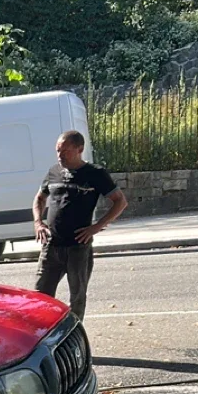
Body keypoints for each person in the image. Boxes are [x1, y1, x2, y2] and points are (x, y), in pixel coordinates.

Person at [32, 130, 128, 321]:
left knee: (77, 297)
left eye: (65, 151)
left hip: (78, 247)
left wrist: (96, 227)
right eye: (58, 151)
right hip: (52, 245)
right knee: (39, 295)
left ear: (80, 149)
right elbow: (39, 199)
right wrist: (38, 222)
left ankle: (72, 337)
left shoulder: (95, 174)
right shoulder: (53, 172)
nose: (60, 156)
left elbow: (120, 202)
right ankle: (39, 332)